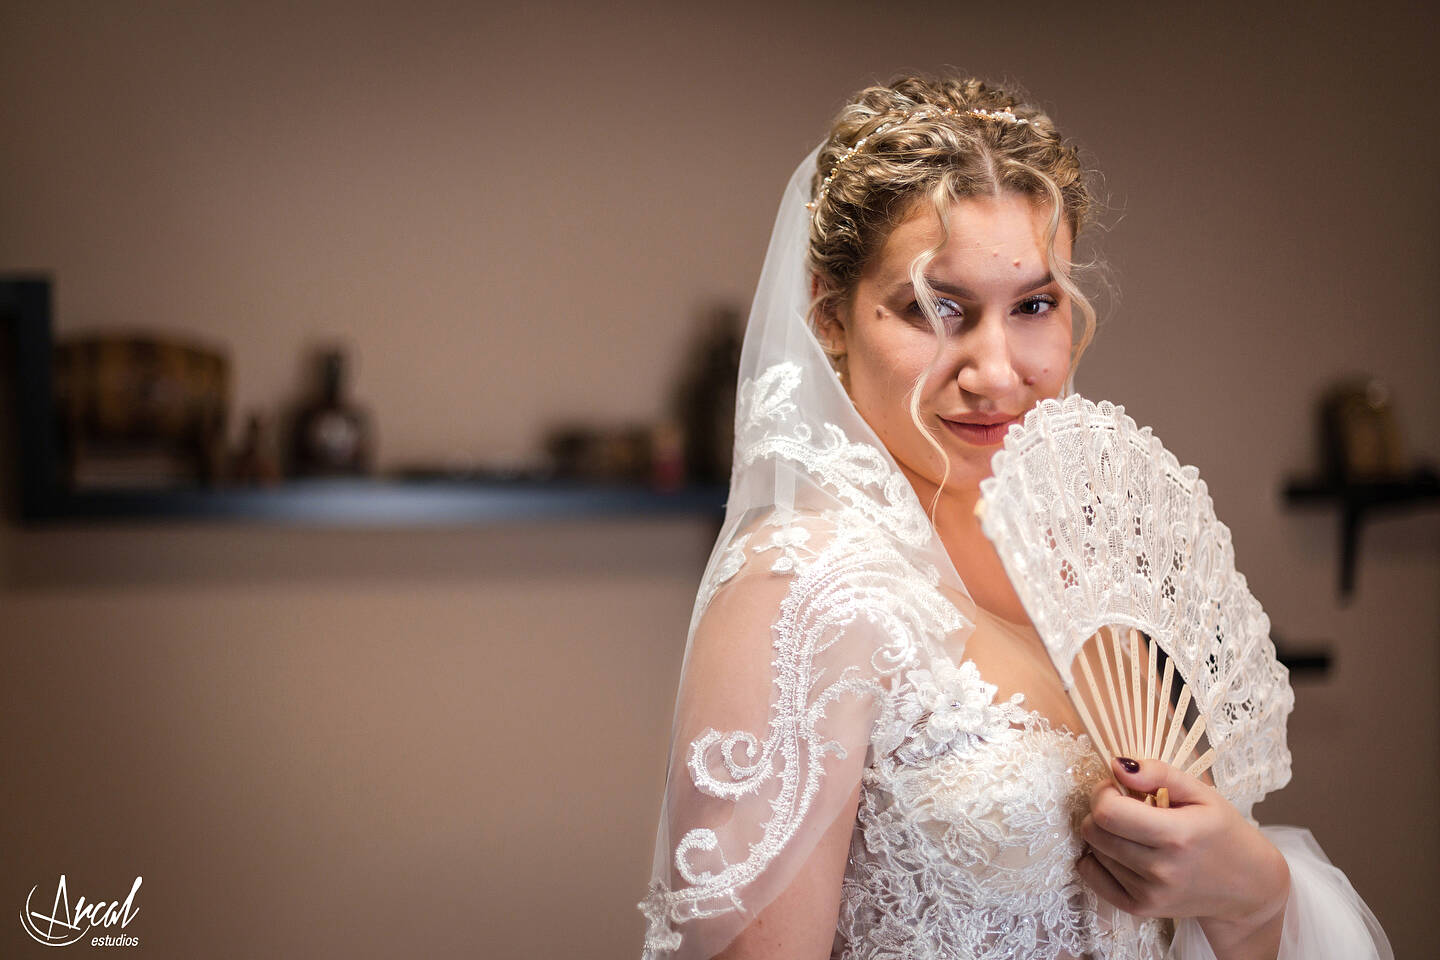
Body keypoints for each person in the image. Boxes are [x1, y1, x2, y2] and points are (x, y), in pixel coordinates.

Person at [637, 75, 1391, 960]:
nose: (995, 371)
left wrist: (1250, 897)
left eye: (1033, 305)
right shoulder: (800, 594)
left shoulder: (1078, 559)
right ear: (827, 316)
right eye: (933, 307)